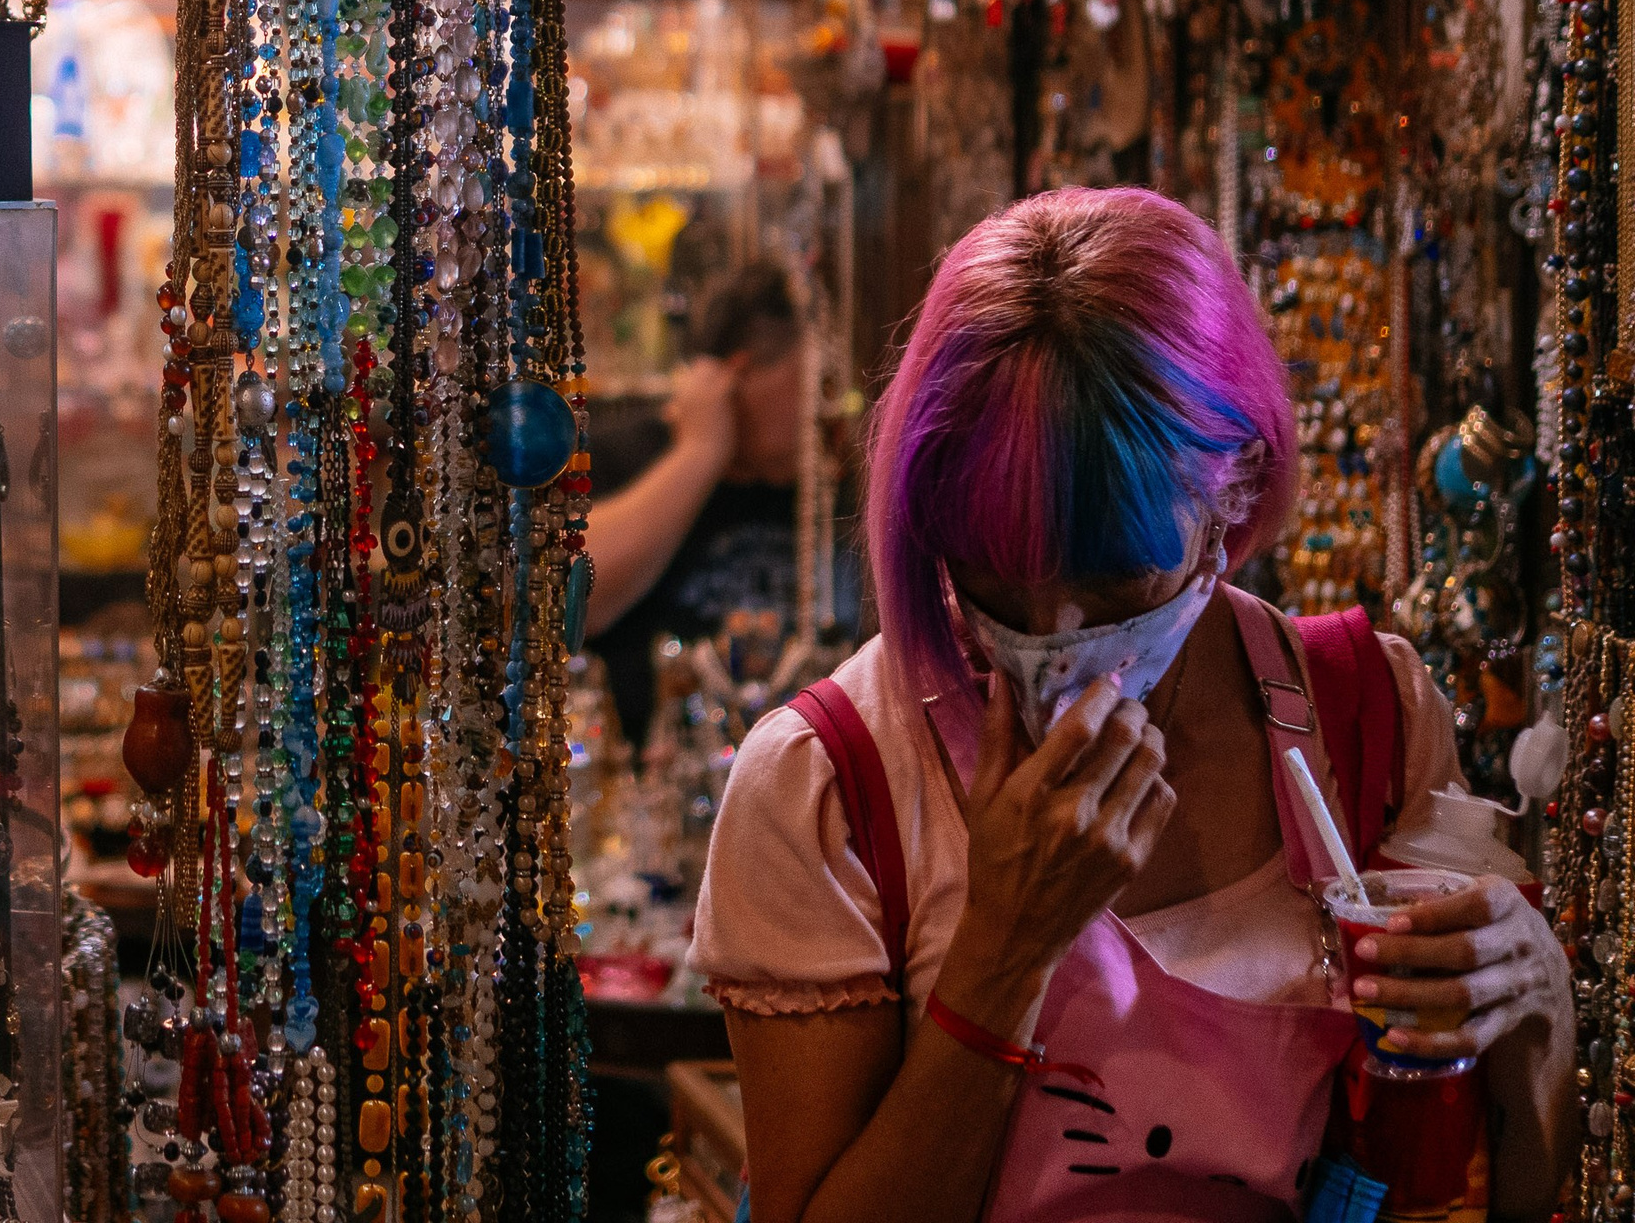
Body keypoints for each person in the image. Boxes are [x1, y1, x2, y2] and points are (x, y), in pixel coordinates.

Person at [690, 189, 1573, 1223]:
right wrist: (1006, 948)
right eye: (991, 577)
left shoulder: (1364, 715)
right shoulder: (825, 784)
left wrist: (1536, 998)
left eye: (1111, 583)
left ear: (1235, 491)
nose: (1052, 632)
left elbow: (1479, 1178)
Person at [583, 263, 860, 746]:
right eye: (816, 379)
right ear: (740, 373)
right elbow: (577, 602)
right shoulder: (620, 456)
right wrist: (700, 454)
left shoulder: (833, 488)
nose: (828, 405)